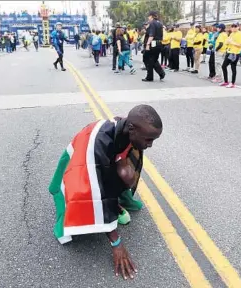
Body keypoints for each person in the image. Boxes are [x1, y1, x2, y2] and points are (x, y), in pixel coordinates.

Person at [49, 104, 163, 279]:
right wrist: (116, 243)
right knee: (90, 196)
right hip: (77, 170)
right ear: (131, 128)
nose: (150, 145)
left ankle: (116, 201)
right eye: (148, 140)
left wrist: (122, 170)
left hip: (104, 161)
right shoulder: (100, 143)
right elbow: (96, 190)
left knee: (125, 174)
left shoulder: (127, 127)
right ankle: (108, 207)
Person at [220, 22, 241, 88]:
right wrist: (227, 43)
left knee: (233, 67)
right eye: (232, 26)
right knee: (223, 66)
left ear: (238, 27)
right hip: (229, 52)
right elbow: (227, 42)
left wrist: (232, 42)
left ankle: (232, 83)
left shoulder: (240, 34)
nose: (233, 28)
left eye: (235, 26)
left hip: (235, 53)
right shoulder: (231, 34)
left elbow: (240, 45)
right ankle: (226, 81)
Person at [142, 11, 165, 82]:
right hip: (159, 43)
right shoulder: (160, 23)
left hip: (152, 43)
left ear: (151, 16)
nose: (148, 18)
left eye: (148, 16)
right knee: (154, 60)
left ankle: (150, 77)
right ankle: (161, 73)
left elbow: (151, 35)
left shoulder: (152, 23)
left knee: (147, 59)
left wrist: (148, 44)